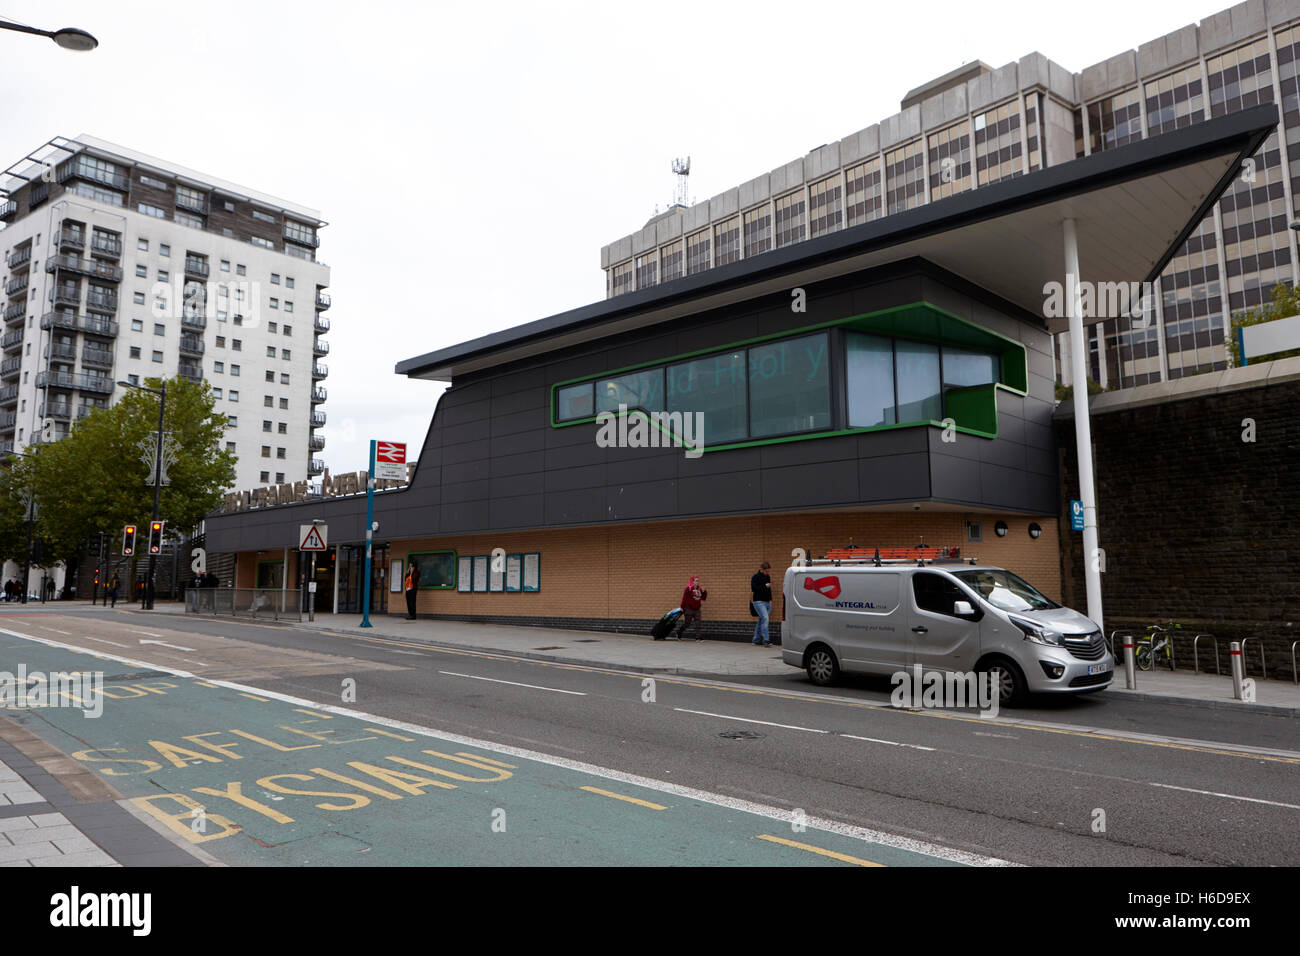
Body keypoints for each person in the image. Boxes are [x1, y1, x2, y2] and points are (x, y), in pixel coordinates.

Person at [675, 575, 707, 641]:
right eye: (696, 581)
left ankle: (698, 637)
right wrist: (682, 606)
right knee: (687, 623)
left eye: (698, 580)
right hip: (688, 608)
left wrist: (704, 592)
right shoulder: (688, 588)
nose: (698, 582)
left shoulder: (699, 589)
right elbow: (684, 598)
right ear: (693, 581)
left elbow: (703, 598)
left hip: (697, 609)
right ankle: (679, 633)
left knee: (698, 623)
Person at [751, 561, 773, 647]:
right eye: (766, 571)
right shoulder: (755, 577)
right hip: (758, 601)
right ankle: (766, 640)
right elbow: (753, 588)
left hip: (767, 601)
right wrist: (765, 586)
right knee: (765, 619)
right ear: (761, 569)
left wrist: (770, 599)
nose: (768, 573)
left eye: (768, 571)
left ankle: (756, 639)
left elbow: (769, 589)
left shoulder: (768, 577)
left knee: (761, 620)